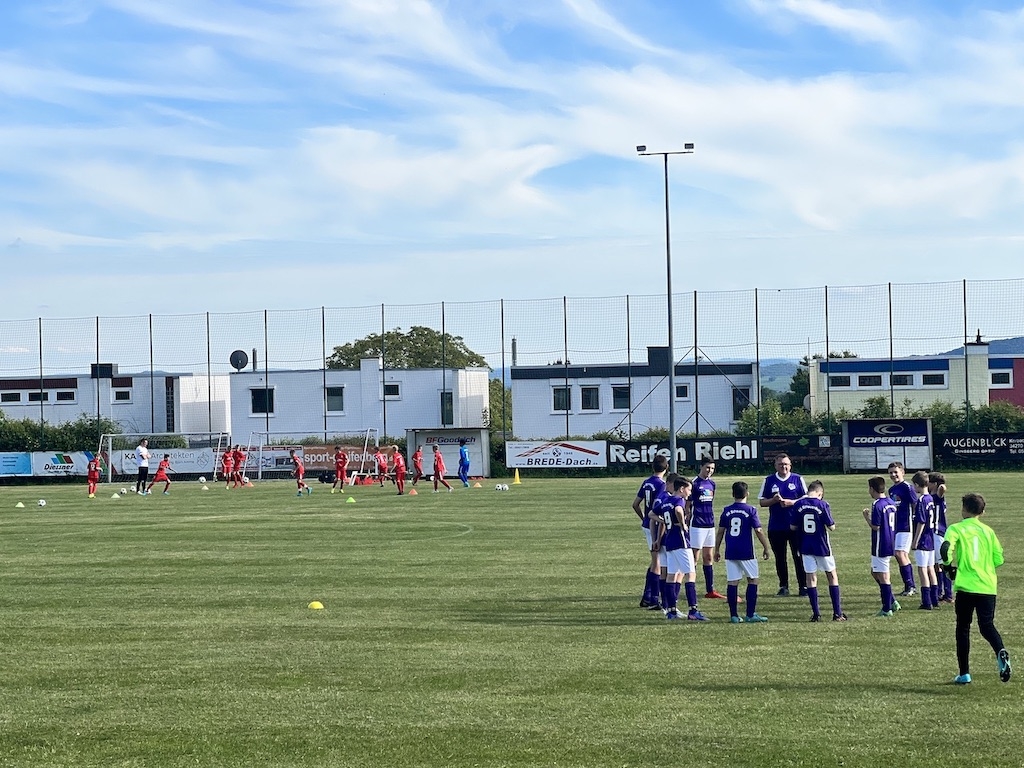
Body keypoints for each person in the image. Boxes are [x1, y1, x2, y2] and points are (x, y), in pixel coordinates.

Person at [941, 493, 1011, 685]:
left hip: (966, 586)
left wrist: (947, 567)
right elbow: (999, 559)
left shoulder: (956, 528)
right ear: (983, 512)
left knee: (963, 628)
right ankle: (1000, 651)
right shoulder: (988, 532)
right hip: (987, 586)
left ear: (964, 509)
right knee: (987, 625)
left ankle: (964, 673)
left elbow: (946, 549)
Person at [651, 475, 707, 621]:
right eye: (689, 490)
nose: (690, 493)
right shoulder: (678, 500)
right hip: (681, 542)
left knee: (671, 575)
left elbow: (651, 514)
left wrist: (664, 521)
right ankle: (693, 610)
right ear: (682, 489)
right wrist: (683, 524)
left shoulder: (666, 501)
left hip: (669, 542)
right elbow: (678, 510)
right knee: (690, 574)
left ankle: (671, 610)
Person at [714, 481, 771, 623]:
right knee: (753, 579)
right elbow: (758, 530)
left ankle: (733, 615)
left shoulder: (726, 510)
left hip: (731, 550)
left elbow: (720, 532)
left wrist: (717, 549)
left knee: (733, 581)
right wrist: (766, 547)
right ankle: (750, 614)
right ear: (747, 494)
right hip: (746, 551)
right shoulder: (751, 510)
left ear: (733, 494)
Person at [791, 480, 847, 622]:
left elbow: (792, 527)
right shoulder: (822, 504)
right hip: (821, 546)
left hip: (805, 545)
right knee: (832, 576)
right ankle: (837, 613)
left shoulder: (798, 504)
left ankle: (816, 614)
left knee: (810, 578)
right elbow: (831, 526)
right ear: (820, 493)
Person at [759, 454, 808, 596]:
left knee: (799, 557)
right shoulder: (769, 480)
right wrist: (773, 501)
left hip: (796, 526)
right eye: (780, 464)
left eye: (786, 464)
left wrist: (792, 502)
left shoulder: (798, 479)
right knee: (780, 558)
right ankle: (783, 586)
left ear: (790, 465)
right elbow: (762, 502)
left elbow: (806, 498)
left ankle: (803, 586)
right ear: (775, 466)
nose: (783, 467)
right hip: (776, 527)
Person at [632, 455, 668, 610]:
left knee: (655, 560)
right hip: (656, 525)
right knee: (657, 562)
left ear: (653, 467)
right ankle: (653, 598)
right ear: (666, 467)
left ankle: (647, 596)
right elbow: (660, 507)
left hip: (647, 523)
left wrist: (644, 518)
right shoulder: (662, 485)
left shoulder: (647, 482)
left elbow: (635, 504)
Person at [688, 459, 724, 600]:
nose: (710, 470)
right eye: (708, 467)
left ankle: (710, 590)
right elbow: (687, 505)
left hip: (710, 524)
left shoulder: (712, 484)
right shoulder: (694, 483)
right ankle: (690, 588)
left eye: (712, 468)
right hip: (697, 524)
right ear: (701, 467)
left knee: (708, 557)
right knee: (694, 558)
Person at [863, 476, 898, 617]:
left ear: (872, 489)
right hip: (891, 541)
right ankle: (892, 601)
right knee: (874, 572)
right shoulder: (891, 502)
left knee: (884, 577)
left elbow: (876, 526)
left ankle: (887, 608)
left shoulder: (877, 504)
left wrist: (866, 517)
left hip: (881, 544)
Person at [887, 462, 918, 597]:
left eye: (896, 472)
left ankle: (910, 586)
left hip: (906, 525)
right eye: (891, 473)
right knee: (898, 554)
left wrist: (916, 522)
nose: (893, 475)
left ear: (902, 472)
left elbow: (915, 504)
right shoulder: (892, 490)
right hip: (896, 526)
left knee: (901, 554)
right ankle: (908, 585)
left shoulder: (907, 487)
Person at [911, 471, 938, 611]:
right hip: (931, 539)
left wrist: (915, 541)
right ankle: (935, 599)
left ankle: (926, 601)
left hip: (923, 539)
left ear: (917, 484)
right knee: (931, 569)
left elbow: (921, 522)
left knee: (922, 570)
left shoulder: (921, 500)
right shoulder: (930, 498)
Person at [929, 472, 954, 603]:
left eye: (929, 482)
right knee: (935, 565)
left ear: (934, 484)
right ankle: (939, 592)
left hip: (938, 533)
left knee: (943, 564)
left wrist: (940, 485)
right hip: (933, 534)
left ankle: (948, 594)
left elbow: (942, 488)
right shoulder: (929, 497)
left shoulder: (937, 496)